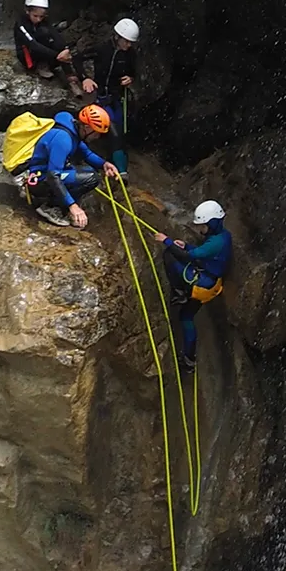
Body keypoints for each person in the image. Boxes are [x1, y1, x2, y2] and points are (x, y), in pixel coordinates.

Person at [152, 201, 231, 372]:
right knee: (186, 317)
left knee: (170, 256)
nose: (200, 229)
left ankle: (180, 292)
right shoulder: (223, 236)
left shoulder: (215, 242)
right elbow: (203, 253)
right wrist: (186, 245)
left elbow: (187, 257)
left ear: (211, 223)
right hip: (212, 285)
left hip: (200, 286)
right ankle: (189, 360)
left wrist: (167, 241)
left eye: (202, 226)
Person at [20, 105, 119, 228]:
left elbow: (86, 153)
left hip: (45, 175)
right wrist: (72, 206)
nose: (97, 137)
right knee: (91, 178)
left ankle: (59, 203)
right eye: (96, 133)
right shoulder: (63, 139)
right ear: (87, 128)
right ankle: (51, 207)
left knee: (90, 172)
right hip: (40, 180)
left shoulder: (73, 132)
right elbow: (53, 176)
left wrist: (104, 164)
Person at [82, 18, 139, 172]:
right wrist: (85, 78)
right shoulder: (102, 48)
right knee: (112, 128)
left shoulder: (130, 54)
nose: (129, 45)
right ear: (118, 37)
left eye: (130, 42)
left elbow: (133, 71)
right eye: (126, 41)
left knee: (121, 130)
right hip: (100, 95)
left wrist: (130, 78)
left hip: (117, 95)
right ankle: (119, 169)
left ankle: (119, 165)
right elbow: (77, 58)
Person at [14, 0, 79, 91]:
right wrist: (57, 56)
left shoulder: (44, 22)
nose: (39, 19)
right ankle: (40, 65)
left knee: (51, 38)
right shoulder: (21, 24)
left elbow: (56, 36)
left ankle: (68, 73)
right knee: (42, 37)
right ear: (27, 11)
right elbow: (32, 45)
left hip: (45, 53)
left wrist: (65, 50)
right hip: (28, 55)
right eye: (35, 16)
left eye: (41, 16)